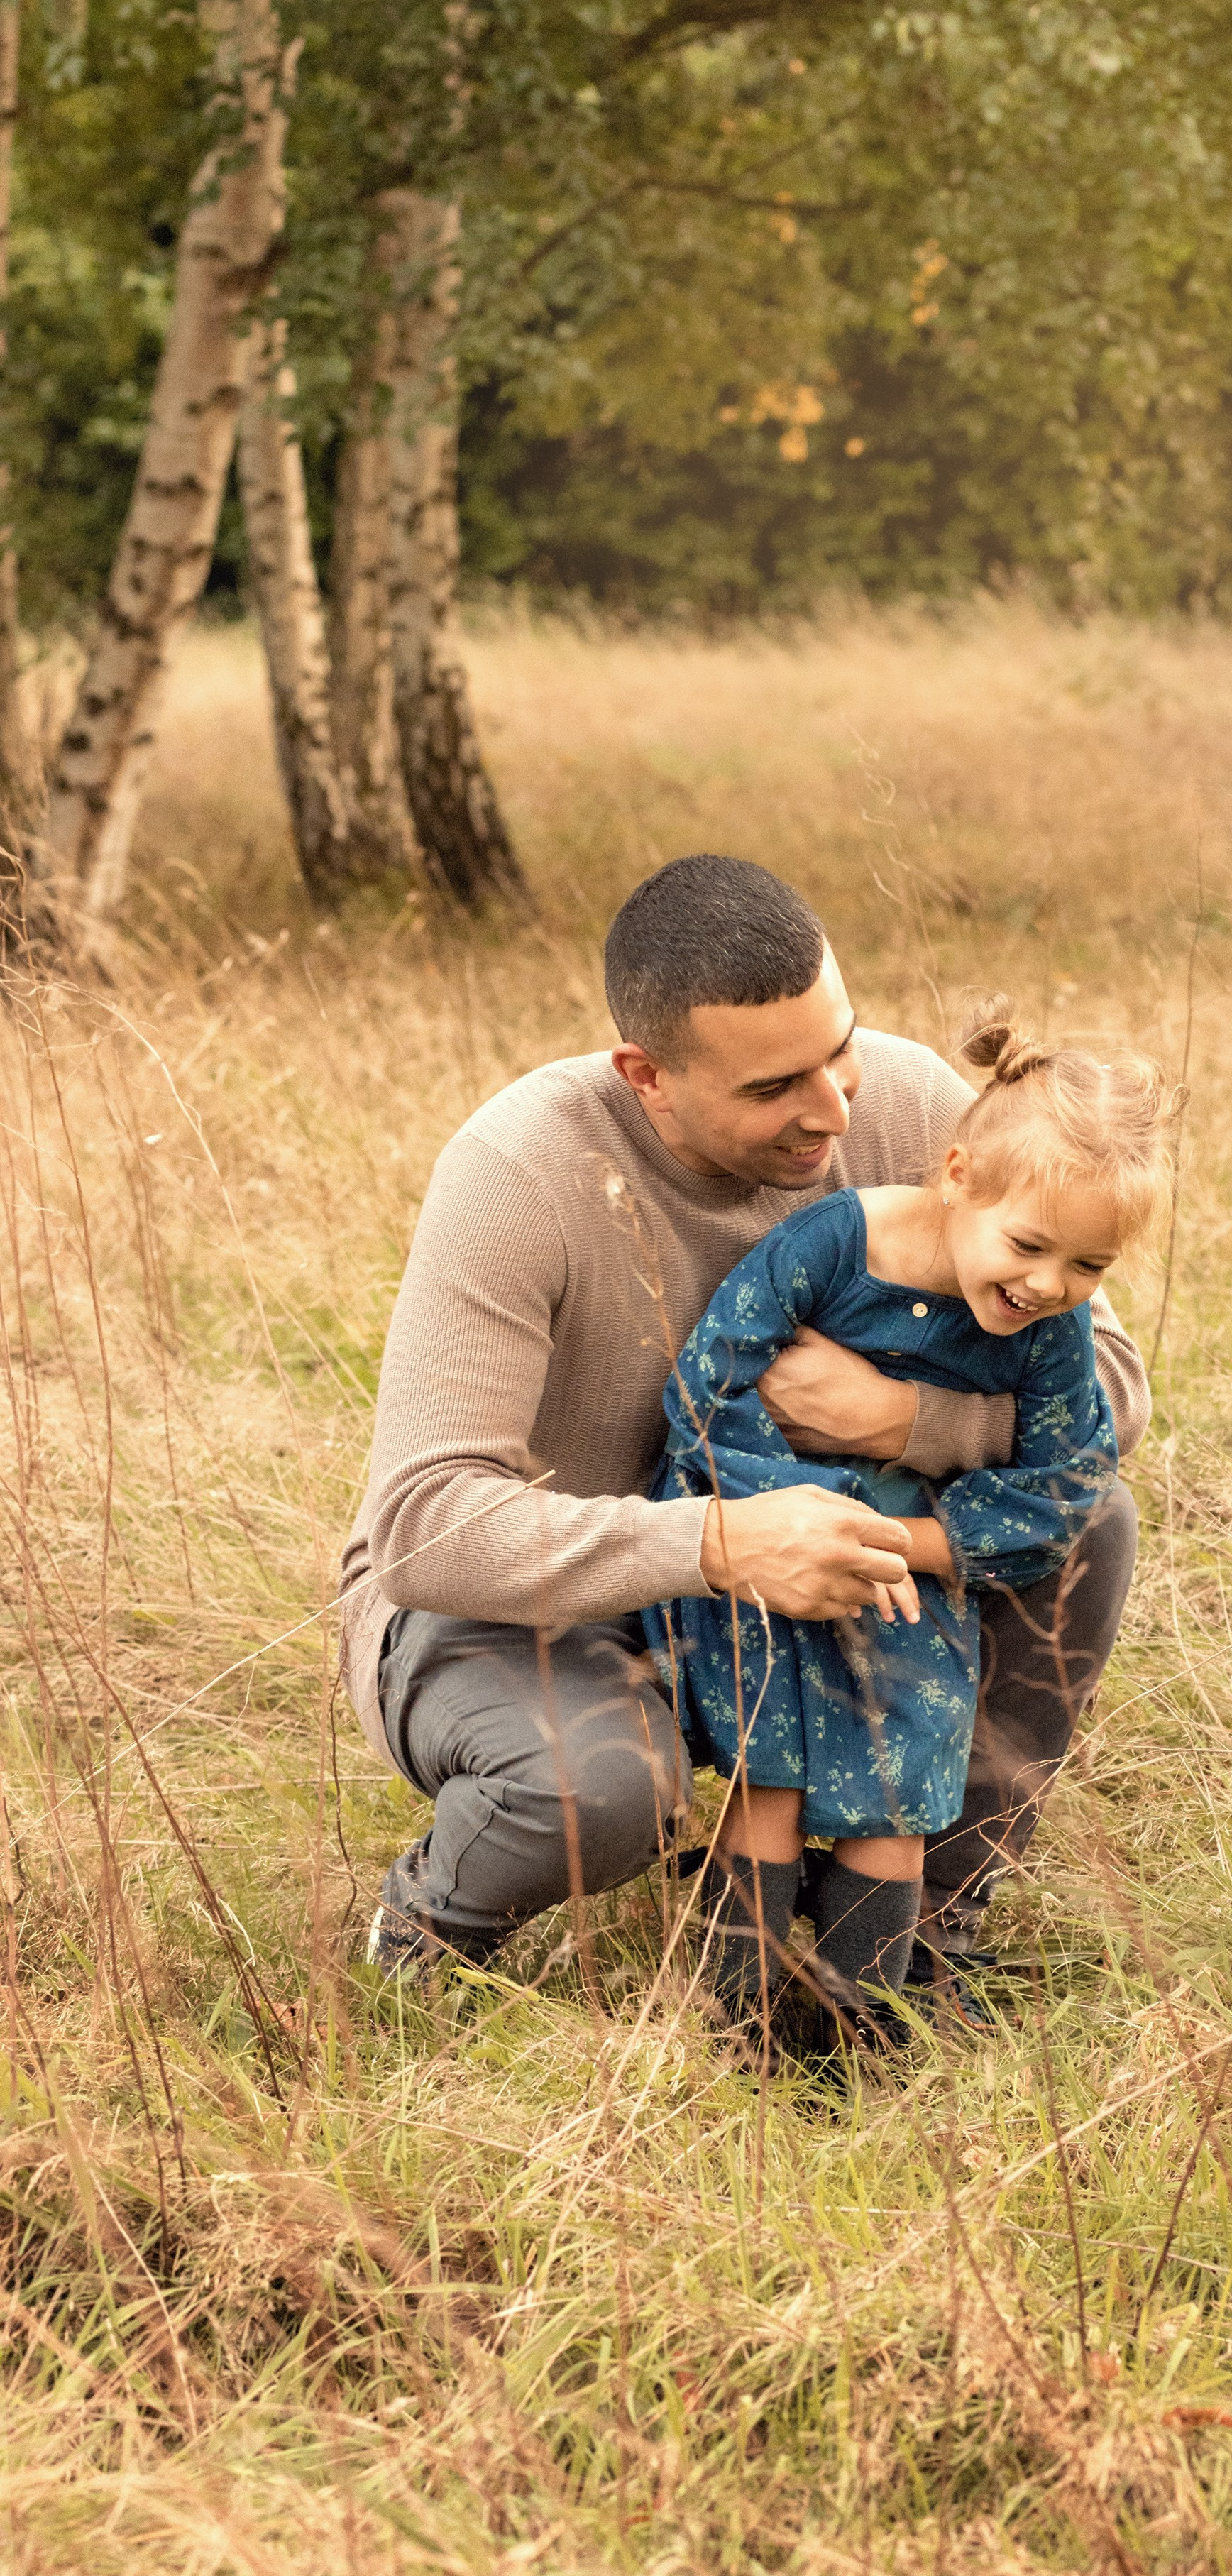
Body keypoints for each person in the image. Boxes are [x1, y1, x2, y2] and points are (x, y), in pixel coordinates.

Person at [342, 853, 1149, 1997]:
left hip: (838, 1583)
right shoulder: (517, 1173)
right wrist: (721, 1543)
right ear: (648, 1076)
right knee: (602, 1789)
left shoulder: (917, 1109)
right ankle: (429, 1926)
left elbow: (1110, 1387)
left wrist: (905, 1420)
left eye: (841, 1047)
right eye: (775, 1088)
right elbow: (424, 1533)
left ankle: (919, 1927)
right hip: (546, 1604)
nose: (832, 1108)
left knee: (1093, 1523)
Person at [647, 1009, 1170, 2052]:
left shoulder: (1049, 1329)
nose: (1048, 1286)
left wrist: (921, 1547)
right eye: (1029, 1247)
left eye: (1090, 1268)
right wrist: (792, 1517)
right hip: (768, 1559)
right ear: (958, 1173)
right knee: (774, 1781)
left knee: (899, 1796)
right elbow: (707, 1392)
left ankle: (865, 2037)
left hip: (913, 1583)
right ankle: (726, 2031)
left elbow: (1070, 1481)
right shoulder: (836, 1244)